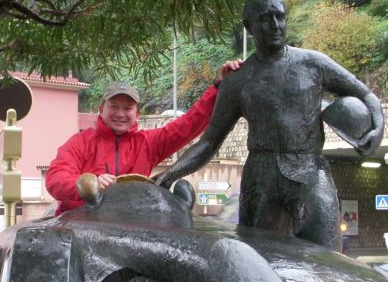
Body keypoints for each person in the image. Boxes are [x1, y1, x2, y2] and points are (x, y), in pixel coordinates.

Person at [155, 0, 384, 250]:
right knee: (260, 260)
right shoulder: (237, 80)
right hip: (260, 179)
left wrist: (377, 129)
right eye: (265, 18)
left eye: (280, 17)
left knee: (326, 256)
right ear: (248, 26)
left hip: (309, 170)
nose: (275, 25)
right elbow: (209, 142)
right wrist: (170, 174)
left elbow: (365, 94)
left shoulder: (314, 64)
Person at [46, 60, 243, 214]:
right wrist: (89, 184)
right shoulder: (80, 142)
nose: (120, 114)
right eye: (114, 107)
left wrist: (220, 86)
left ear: (137, 114)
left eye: (127, 108)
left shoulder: (148, 143)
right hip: (82, 223)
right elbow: (55, 178)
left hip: (131, 224)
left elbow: (188, 125)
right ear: (101, 109)